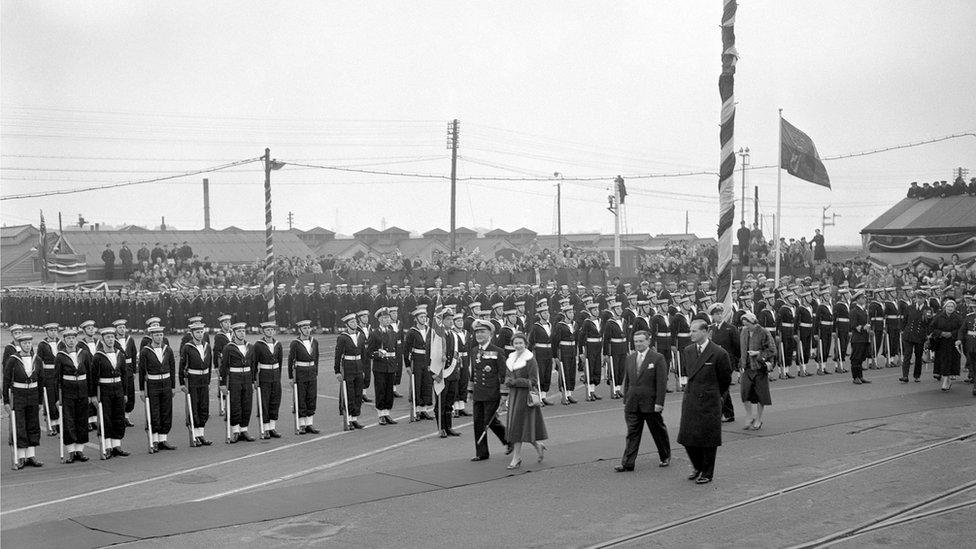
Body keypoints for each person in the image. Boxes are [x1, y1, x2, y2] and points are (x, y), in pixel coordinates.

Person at [676, 319, 732, 484]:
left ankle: (707, 472)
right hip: (691, 398)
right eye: (690, 331)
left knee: (707, 439)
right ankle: (698, 466)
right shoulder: (688, 351)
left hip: (709, 400)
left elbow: (725, 379)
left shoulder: (719, 353)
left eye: (694, 331)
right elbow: (689, 372)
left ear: (705, 332)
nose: (690, 334)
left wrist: (714, 394)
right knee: (687, 437)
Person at [615, 331, 670, 472]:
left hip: (651, 403)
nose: (638, 344)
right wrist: (626, 399)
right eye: (636, 341)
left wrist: (659, 403)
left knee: (657, 431)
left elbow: (661, 383)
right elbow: (628, 381)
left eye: (641, 341)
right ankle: (628, 463)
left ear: (648, 342)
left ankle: (665, 456)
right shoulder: (630, 358)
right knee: (632, 433)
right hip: (633, 402)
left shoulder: (657, 358)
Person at [503, 334, 548, 469]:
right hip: (514, 396)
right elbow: (507, 376)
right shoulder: (511, 358)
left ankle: (516, 458)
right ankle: (537, 445)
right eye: (515, 343)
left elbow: (533, 381)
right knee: (519, 427)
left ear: (525, 344)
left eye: (520, 343)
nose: (518, 345)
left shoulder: (530, 359)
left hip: (525, 396)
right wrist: (507, 381)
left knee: (519, 426)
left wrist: (515, 382)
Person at [469, 320, 510, 461]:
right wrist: (470, 390)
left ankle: (508, 440)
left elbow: (503, 373)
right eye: (477, 332)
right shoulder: (474, 351)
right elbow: (473, 371)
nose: (479, 335)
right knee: (478, 422)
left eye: (482, 332)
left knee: (490, 420)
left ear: (490, 334)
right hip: (478, 392)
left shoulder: (497, 351)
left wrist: (504, 394)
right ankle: (481, 453)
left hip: (492, 392)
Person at [3, 333, 42, 469]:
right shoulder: (13, 360)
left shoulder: (37, 359)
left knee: (32, 424)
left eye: (29, 343)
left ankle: (31, 456)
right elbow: (6, 380)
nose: (27, 345)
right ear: (20, 345)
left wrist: (40, 401)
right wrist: (6, 401)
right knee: (20, 425)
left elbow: (41, 380)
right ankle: (21, 457)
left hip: (33, 395)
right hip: (18, 395)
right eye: (24, 343)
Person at [55, 328, 91, 462]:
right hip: (67, 392)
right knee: (69, 420)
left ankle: (80, 450)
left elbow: (90, 374)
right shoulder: (60, 356)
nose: (71, 341)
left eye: (73, 338)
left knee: (81, 420)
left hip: (82, 390)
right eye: (68, 338)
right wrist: (58, 398)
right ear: (64, 340)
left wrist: (90, 394)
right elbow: (56, 378)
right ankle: (71, 451)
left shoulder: (84, 354)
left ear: (76, 339)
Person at [139, 325, 177, 452]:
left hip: (166, 383)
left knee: (166, 411)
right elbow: (142, 371)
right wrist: (142, 390)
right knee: (154, 412)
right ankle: (154, 440)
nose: (159, 337)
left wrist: (172, 386)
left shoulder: (168, 350)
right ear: (151, 336)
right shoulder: (145, 351)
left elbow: (172, 368)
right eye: (156, 335)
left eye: (161, 335)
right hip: (153, 384)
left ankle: (163, 439)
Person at [93, 328, 129, 457]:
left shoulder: (120, 354)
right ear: (103, 340)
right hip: (105, 388)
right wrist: (93, 396)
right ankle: (107, 446)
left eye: (112, 337)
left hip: (118, 388)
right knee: (106, 418)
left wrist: (125, 393)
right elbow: (93, 378)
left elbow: (124, 375)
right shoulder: (98, 356)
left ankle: (116, 446)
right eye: (107, 337)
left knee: (118, 417)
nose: (110, 340)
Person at [738, 312, 775, 430]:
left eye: (747, 324)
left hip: (759, 367)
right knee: (745, 393)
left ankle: (758, 419)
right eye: (744, 324)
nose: (745, 327)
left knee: (761, 395)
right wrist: (741, 362)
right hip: (747, 367)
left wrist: (758, 353)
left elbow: (772, 350)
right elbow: (742, 349)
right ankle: (749, 416)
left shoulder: (764, 332)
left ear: (753, 322)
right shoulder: (743, 332)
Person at [219, 322, 255, 442]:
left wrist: (254, 380)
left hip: (247, 377)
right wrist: (223, 384)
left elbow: (253, 365)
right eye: (239, 331)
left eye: (243, 331)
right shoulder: (228, 347)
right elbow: (223, 367)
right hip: (234, 377)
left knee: (247, 404)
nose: (242, 333)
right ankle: (235, 431)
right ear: (234, 333)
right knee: (235, 404)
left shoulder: (250, 346)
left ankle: (244, 430)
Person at [179, 322, 213, 446]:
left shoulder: (207, 346)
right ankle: (194, 435)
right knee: (193, 407)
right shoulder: (187, 347)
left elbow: (209, 365)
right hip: (193, 380)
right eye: (197, 332)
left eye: (201, 332)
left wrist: (208, 381)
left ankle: (201, 434)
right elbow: (182, 366)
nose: (200, 334)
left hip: (204, 380)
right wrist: (182, 383)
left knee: (203, 407)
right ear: (192, 333)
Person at [708, 303, 739, 423]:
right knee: (723, 388)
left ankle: (721, 413)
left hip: (727, 361)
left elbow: (736, 346)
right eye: (717, 314)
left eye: (721, 313)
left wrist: (736, 360)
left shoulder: (730, 328)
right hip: (716, 362)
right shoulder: (712, 329)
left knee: (722, 387)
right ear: (712, 316)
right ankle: (729, 413)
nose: (719, 316)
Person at [366, 309, 398, 425]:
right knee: (381, 390)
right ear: (379, 319)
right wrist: (377, 354)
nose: (387, 320)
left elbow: (396, 350)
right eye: (384, 318)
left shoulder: (393, 333)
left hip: (391, 366)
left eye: (388, 318)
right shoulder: (374, 333)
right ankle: (381, 415)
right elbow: (368, 352)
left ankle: (387, 413)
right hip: (380, 366)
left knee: (389, 391)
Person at [289, 319, 321, 434]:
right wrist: (291, 377)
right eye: (304, 328)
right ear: (300, 330)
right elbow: (290, 360)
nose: (307, 330)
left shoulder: (314, 342)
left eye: (308, 328)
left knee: (311, 397)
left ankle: (309, 423)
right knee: (301, 398)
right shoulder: (295, 343)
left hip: (311, 372)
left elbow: (316, 357)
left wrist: (315, 371)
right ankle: (301, 424)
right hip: (300, 372)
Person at [252, 322, 283, 438]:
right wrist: (254, 379)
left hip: (275, 376)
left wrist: (279, 376)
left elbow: (280, 362)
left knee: (275, 401)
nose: (270, 332)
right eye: (268, 330)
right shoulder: (258, 345)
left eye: (272, 330)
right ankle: (265, 428)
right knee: (264, 402)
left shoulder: (278, 344)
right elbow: (254, 363)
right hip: (264, 376)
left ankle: (272, 428)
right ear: (263, 331)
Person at [930, 299, 963, 391]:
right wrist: (941, 333)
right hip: (941, 342)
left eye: (952, 306)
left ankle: (948, 379)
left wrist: (952, 334)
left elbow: (961, 329)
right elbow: (932, 327)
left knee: (951, 361)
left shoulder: (958, 317)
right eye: (948, 306)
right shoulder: (939, 316)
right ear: (945, 307)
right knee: (943, 361)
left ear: (954, 308)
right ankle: (945, 379)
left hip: (953, 342)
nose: (950, 308)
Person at [901, 290, 930, 383]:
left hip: (920, 335)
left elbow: (928, 323)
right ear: (915, 298)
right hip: (909, 334)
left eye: (921, 298)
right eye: (918, 297)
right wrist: (903, 330)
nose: (919, 300)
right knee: (907, 355)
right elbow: (904, 320)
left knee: (918, 356)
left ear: (925, 299)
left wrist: (928, 335)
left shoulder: (927, 309)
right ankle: (905, 376)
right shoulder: (909, 307)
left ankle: (917, 375)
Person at [849, 290, 872, 385]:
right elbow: (853, 325)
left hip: (864, 337)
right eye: (862, 298)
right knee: (856, 358)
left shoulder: (864, 310)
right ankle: (855, 377)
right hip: (857, 338)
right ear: (857, 300)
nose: (865, 299)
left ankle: (860, 376)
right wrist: (863, 328)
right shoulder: (854, 311)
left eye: (865, 298)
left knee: (861, 357)